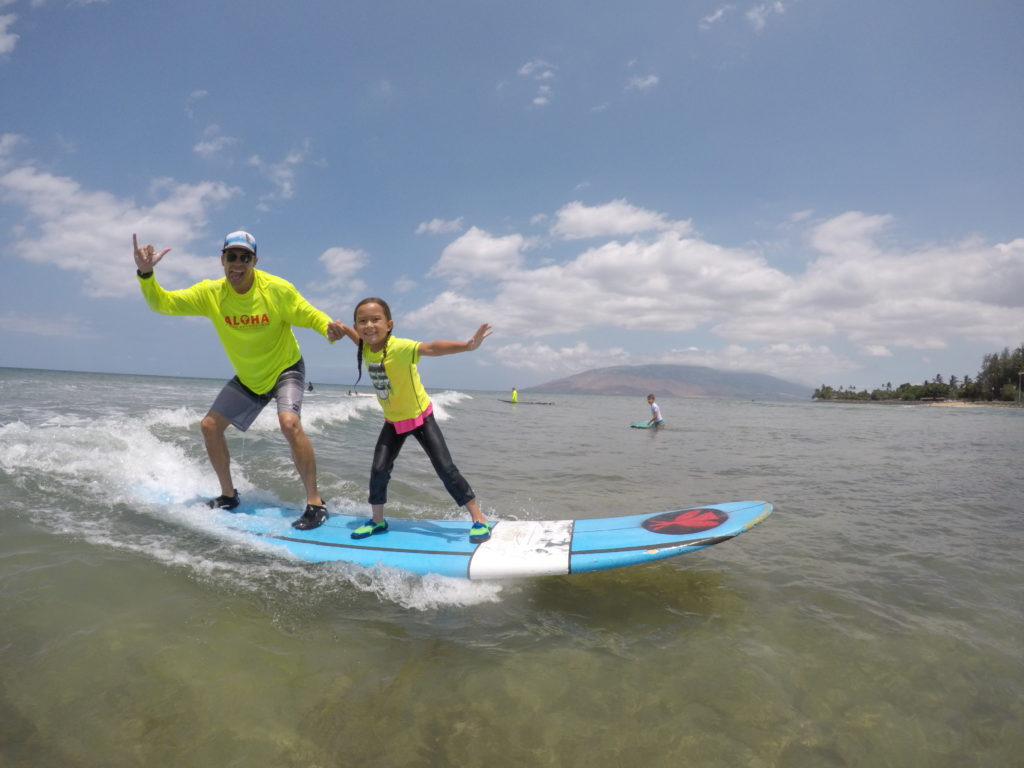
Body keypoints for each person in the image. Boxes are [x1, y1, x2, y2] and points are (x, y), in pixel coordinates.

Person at [132, 231, 350, 530]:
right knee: (209, 426)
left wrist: (328, 328)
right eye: (231, 256)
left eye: (244, 257)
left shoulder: (276, 290)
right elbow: (163, 304)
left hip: (285, 368)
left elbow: (309, 314)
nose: (237, 263)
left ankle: (315, 502)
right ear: (222, 260)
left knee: (289, 423)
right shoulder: (211, 294)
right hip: (250, 378)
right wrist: (146, 274)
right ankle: (228, 495)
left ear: (254, 261)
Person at [340, 297, 494, 543]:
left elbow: (432, 347)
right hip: (393, 422)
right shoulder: (365, 346)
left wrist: (467, 346)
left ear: (389, 324)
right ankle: (378, 521)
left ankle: (479, 518)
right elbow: (353, 336)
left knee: (445, 468)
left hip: (421, 418)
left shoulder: (400, 347)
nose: (369, 325)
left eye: (375, 319)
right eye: (362, 321)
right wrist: (341, 328)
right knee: (379, 469)